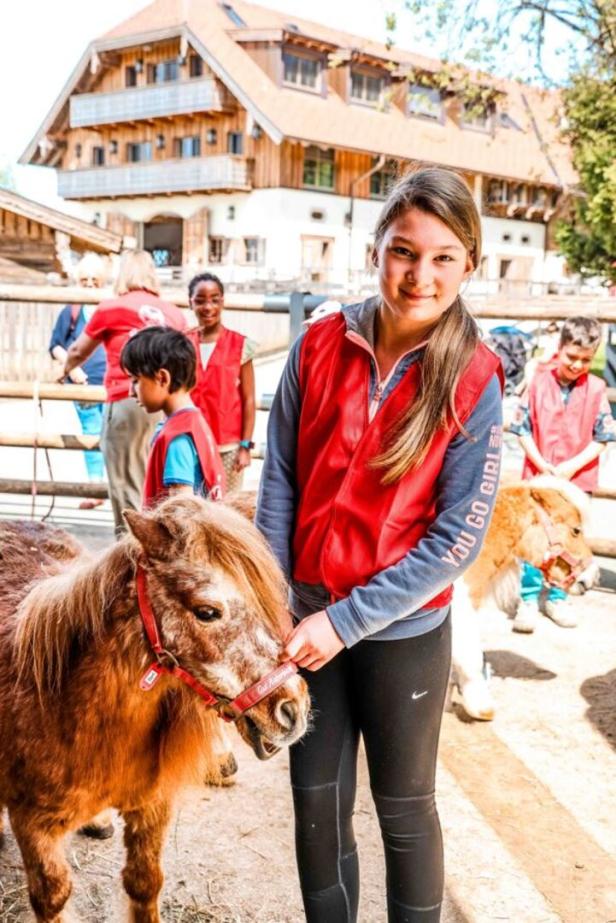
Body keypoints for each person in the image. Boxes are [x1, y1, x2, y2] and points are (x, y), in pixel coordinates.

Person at [256, 166, 504, 923]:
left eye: (441, 258)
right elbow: (279, 484)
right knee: (316, 811)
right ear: (375, 250)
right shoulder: (318, 346)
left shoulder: (472, 377)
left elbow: (455, 539)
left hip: (401, 635)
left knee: (404, 812)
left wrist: (343, 620)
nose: (419, 275)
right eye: (403, 251)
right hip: (303, 622)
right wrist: (275, 609)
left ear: (470, 264)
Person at [63, 250, 187, 534]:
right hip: (170, 405)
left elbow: (78, 350)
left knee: (126, 483)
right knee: (161, 480)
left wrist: (63, 370)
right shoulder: (174, 314)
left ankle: (132, 555)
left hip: (128, 398)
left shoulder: (111, 308)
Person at [509, 315, 616, 632]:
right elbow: (521, 428)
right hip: (540, 478)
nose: (577, 365)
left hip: (575, 482)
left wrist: (571, 466)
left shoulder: (596, 389)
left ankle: (557, 596)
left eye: (585, 359)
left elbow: (603, 437)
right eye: (572, 357)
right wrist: (541, 463)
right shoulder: (537, 383)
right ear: (560, 348)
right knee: (534, 538)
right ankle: (528, 599)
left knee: (568, 541)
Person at [120, 326, 224, 505]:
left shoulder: (177, 439)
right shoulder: (193, 422)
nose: (131, 392)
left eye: (135, 381)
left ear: (162, 378)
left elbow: (181, 512)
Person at [187, 272, 257, 492]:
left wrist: (245, 446)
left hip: (228, 445)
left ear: (222, 302)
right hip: (190, 442)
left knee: (226, 508)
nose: (208, 307)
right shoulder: (182, 343)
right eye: (200, 301)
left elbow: (248, 399)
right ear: (191, 303)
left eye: (215, 300)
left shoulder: (239, 344)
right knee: (192, 505)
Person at [49, 252, 107, 509]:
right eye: (86, 279)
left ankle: (113, 488)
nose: (91, 284)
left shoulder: (109, 309)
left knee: (116, 436)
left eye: (96, 279)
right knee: (91, 433)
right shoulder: (71, 311)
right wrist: (72, 369)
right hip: (83, 383)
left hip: (111, 384)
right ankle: (95, 487)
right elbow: (56, 345)